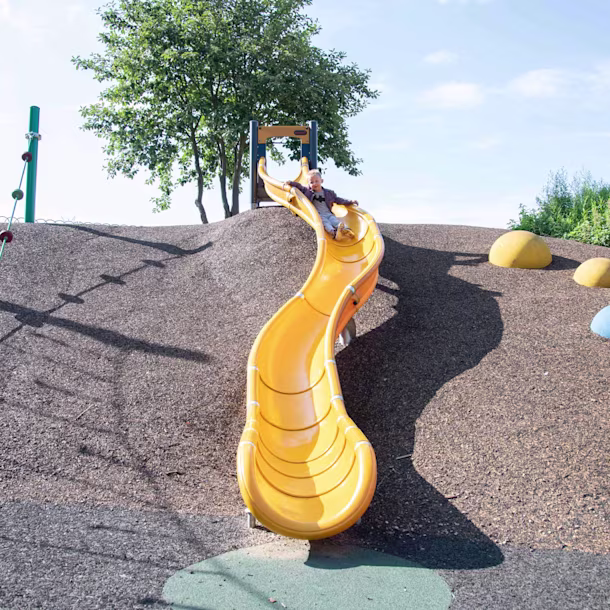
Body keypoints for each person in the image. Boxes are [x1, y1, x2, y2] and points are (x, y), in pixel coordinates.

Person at [283, 169, 358, 240]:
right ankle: (334, 233)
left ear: (321, 181)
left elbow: (338, 200)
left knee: (334, 220)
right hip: (318, 214)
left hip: (328, 213)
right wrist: (290, 182)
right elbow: (299, 186)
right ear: (309, 184)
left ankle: (345, 229)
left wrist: (350, 201)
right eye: (311, 182)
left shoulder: (329, 193)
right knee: (325, 223)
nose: (314, 183)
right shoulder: (308, 191)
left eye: (316, 181)